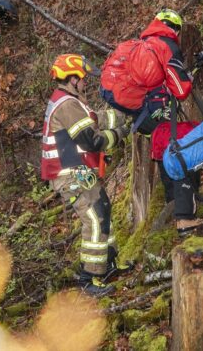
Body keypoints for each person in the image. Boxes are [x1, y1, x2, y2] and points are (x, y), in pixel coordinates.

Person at [101, 9, 203, 234]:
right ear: (175, 29)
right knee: (183, 145)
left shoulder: (136, 45)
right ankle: (184, 217)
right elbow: (180, 90)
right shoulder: (166, 46)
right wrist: (187, 77)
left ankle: (173, 201)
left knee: (164, 143)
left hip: (137, 113)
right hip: (150, 111)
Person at [41, 54, 132, 297]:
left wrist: (128, 112)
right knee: (93, 218)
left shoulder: (72, 101)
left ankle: (108, 264)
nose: (84, 83)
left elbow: (97, 119)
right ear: (70, 78)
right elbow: (92, 140)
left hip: (77, 169)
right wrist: (121, 133)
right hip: (68, 173)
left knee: (103, 208)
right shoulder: (67, 105)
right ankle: (88, 278)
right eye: (81, 79)